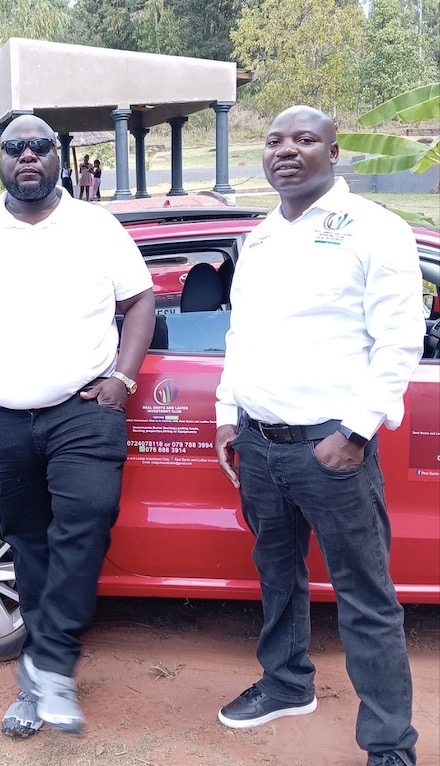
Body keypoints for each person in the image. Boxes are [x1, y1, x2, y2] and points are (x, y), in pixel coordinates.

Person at [0, 115, 155, 738]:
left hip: (84, 413)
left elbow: (140, 301)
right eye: (14, 148)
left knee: (88, 521)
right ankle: (39, 683)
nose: (27, 155)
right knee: (29, 542)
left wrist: (123, 379)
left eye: (40, 146)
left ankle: (49, 663)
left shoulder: (97, 228)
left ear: (60, 156)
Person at [214, 106, 424, 766]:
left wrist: (356, 433)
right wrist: (227, 413)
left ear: (333, 153)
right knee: (277, 575)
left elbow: (400, 341)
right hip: (259, 445)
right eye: (274, 140)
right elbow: (241, 334)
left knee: (365, 597)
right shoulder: (259, 239)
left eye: (304, 139)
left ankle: (389, 745)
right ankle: (286, 683)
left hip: (331, 449)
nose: (286, 150)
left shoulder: (375, 230)